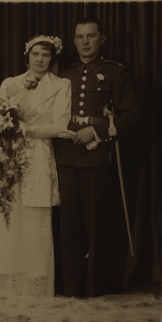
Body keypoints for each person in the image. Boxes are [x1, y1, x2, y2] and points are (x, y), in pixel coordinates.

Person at [0, 35, 71, 320]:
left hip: (38, 159)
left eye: (45, 55)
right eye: (35, 54)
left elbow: (60, 125)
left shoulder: (61, 86)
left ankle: (35, 290)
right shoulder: (10, 84)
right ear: (27, 56)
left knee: (35, 223)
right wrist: (0, 125)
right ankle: (3, 287)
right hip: (8, 159)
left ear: (52, 58)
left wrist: (26, 129)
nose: (40, 59)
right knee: (8, 220)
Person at [56, 18, 139, 297]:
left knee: (97, 224)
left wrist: (96, 131)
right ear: (75, 39)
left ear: (101, 39)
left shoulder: (116, 72)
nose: (85, 42)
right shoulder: (64, 74)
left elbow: (129, 118)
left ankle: (96, 288)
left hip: (97, 157)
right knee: (68, 225)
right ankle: (71, 288)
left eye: (91, 36)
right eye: (80, 37)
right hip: (66, 156)